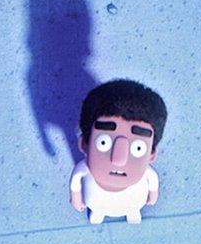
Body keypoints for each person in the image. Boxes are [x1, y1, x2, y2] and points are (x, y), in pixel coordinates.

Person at [69, 79, 167, 225]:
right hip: (98, 204)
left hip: (132, 204)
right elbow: (75, 183)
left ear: (151, 154)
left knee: (132, 210)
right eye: (103, 142)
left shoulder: (148, 173)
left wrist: (153, 194)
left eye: (138, 148)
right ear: (84, 144)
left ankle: (132, 212)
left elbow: (153, 182)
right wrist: (76, 198)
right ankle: (99, 212)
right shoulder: (83, 169)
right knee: (98, 211)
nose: (119, 160)